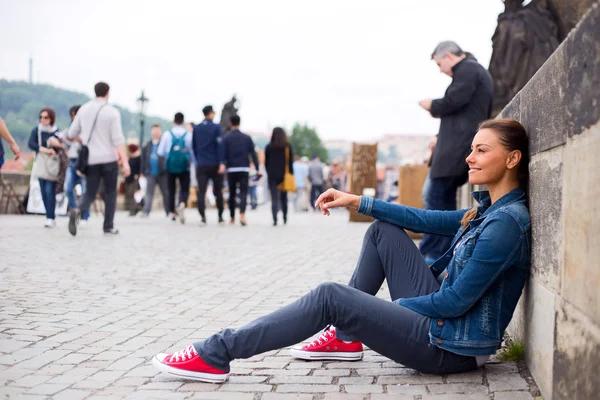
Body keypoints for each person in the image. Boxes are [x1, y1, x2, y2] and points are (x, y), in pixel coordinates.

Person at [151, 119, 530, 383]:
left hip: (451, 347)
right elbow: (422, 218)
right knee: (383, 231)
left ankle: (217, 352)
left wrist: (370, 313)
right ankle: (344, 337)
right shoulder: (485, 212)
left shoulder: (505, 224)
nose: (470, 157)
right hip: (444, 324)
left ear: (512, 159)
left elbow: (456, 302)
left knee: (333, 297)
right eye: (471, 149)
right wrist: (357, 201)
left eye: (481, 150)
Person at [418, 41, 494, 264]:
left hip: (455, 151)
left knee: (436, 202)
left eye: (440, 63)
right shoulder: (471, 70)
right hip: (454, 146)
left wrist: (431, 105)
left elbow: (453, 102)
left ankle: (431, 257)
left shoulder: (469, 69)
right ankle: (437, 255)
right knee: (437, 200)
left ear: (449, 56)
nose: (440, 69)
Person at [67, 82, 130, 236]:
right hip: (109, 158)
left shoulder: (84, 109)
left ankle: (78, 210)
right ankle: (108, 226)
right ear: (108, 92)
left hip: (91, 159)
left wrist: (85, 138)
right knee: (110, 193)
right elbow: (118, 140)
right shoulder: (112, 112)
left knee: (90, 191)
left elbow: (71, 133)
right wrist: (125, 162)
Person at [27, 108, 62, 227]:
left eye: (46, 117)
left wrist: (56, 146)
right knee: (43, 191)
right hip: (41, 163)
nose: (43, 120)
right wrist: (45, 149)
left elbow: (61, 147)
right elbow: (31, 144)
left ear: (51, 119)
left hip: (52, 164)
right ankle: (49, 215)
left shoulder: (57, 132)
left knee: (49, 191)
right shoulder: (36, 130)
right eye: (41, 117)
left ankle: (51, 217)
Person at [158, 112, 194, 224]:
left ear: (174, 121)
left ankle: (172, 212)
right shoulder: (188, 135)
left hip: (171, 166)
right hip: (184, 166)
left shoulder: (167, 134)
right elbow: (192, 152)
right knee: (184, 188)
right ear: (183, 121)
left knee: (171, 189)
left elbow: (161, 152)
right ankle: (182, 203)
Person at [192, 105, 225, 226]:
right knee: (218, 191)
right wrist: (221, 162)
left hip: (201, 164)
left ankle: (203, 218)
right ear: (211, 113)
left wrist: (198, 160)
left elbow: (194, 147)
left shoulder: (197, 128)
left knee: (202, 191)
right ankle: (220, 217)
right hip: (214, 164)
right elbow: (220, 146)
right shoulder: (216, 127)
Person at [223, 115, 259, 226]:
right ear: (240, 122)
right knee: (243, 192)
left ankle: (232, 217)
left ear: (230, 123)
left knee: (232, 193)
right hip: (244, 168)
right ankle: (242, 214)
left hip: (231, 169)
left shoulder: (226, 137)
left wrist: (223, 165)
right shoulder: (246, 137)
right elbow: (253, 153)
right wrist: (257, 168)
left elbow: (223, 154)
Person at [62, 105, 90, 226]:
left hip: (84, 162)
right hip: (72, 161)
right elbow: (67, 138)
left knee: (85, 191)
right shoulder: (71, 128)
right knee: (67, 188)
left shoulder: (88, 127)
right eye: (73, 116)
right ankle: (75, 211)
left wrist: (81, 139)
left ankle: (84, 216)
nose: (74, 118)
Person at [265, 127, 294, 226]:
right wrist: (291, 174)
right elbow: (290, 163)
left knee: (274, 198)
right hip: (284, 176)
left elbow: (266, 163)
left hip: (272, 176)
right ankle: (285, 217)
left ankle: (275, 219)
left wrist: (269, 173)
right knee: (284, 198)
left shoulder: (269, 147)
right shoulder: (287, 146)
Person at [141, 124, 169, 217]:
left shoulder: (164, 143)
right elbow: (143, 159)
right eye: (154, 130)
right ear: (151, 132)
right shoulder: (147, 144)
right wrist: (142, 171)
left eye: (158, 131)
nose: (156, 133)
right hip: (150, 172)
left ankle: (168, 211)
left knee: (165, 193)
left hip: (163, 172)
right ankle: (146, 211)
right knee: (149, 193)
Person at [124, 140, 142, 216]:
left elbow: (139, 167)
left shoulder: (138, 158)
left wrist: (137, 175)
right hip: (128, 178)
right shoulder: (129, 158)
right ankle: (132, 208)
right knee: (129, 194)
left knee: (132, 193)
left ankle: (135, 208)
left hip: (134, 178)